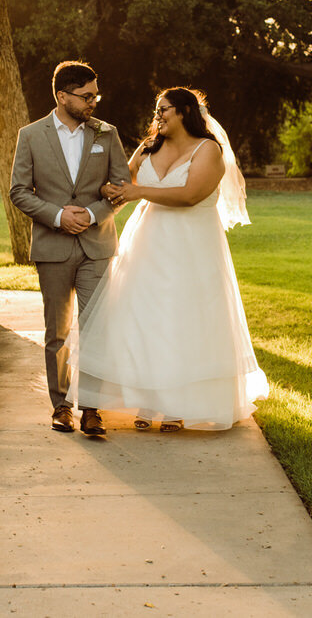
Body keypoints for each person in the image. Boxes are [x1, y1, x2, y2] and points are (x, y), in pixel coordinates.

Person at [76, 87, 268, 431]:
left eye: (163, 109)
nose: (157, 115)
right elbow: (123, 180)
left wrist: (137, 191)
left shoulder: (209, 149)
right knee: (145, 321)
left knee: (184, 322)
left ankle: (179, 407)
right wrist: (112, 189)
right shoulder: (150, 146)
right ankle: (149, 404)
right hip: (147, 245)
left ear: (183, 111)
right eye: (156, 109)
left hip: (191, 248)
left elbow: (191, 195)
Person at [8, 61, 132, 437]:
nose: (94, 101)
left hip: (96, 246)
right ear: (62, 96)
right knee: (57, 332)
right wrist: (59, 217)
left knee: (95, 329)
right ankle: (60, 406)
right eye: (86, 95)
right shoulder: (30, 136)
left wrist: (92, 215)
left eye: (96, 94)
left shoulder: (106, 134)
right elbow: (18, 192)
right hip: (52, 247)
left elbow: (122, 185)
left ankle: (92, 409)